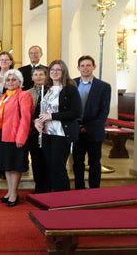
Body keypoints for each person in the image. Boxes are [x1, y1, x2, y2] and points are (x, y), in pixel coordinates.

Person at [35, 60, 82, 192]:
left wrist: (52, 116)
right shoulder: (46, 89)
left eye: (58, 70)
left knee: (58, 166)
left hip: (61, 133)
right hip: (46, 133)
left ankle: (62, 197)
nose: (55, 72)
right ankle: (51, 194)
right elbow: (39, 111)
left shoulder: (70, 89)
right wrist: (37, 122)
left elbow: (76, 112)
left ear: (63, 72)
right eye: (52, 70)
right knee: (49, 165)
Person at [0, 69, 32, 206]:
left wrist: (21, 138)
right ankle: (9, 191)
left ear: (20, 82)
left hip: (15, 136)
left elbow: (26, 119)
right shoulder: (5, 96)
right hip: (3, 135)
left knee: (15, 166)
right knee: (7, 165)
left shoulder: (24, 95)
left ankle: (14, 193)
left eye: (14, 79)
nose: (10, 82)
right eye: (8, 80)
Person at [73, 55, 111, 189]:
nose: (85, 68)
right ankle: (79, 188)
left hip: (94, 131)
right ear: (78, 68)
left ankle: (94, 190)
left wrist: (88, 127)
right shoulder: (72, 83)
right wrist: (76, 126)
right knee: (77, 162)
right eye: (82, 66)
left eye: (88, 65)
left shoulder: (104, 86)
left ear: (94, 67)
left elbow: (104, 111)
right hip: (75, 130)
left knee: (94, 162)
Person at [26, 66, 48, 193]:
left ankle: (48, 184)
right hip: (33, 130)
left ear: (46, 76)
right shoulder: (28, 93)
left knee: (47, 158)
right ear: (32, 77)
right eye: (36, 74)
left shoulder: (52, 91)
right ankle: (38, 185)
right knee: (36, 159)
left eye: (41, 74)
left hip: (49, 130)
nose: (38, 77)